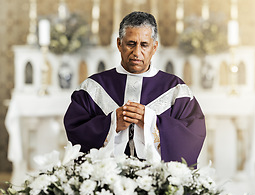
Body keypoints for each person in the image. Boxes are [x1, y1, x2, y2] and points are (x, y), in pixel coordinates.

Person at [63, 11, 206, 166]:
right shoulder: (93, 88)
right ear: (119, 44)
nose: (137, 52)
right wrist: (111, 123)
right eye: (131, 44)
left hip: (158, 184)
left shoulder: (176, 90)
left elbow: (193, 135)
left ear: (154, 47)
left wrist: (151, 122)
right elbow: (75, 131)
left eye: (144, 45)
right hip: (106, 183)